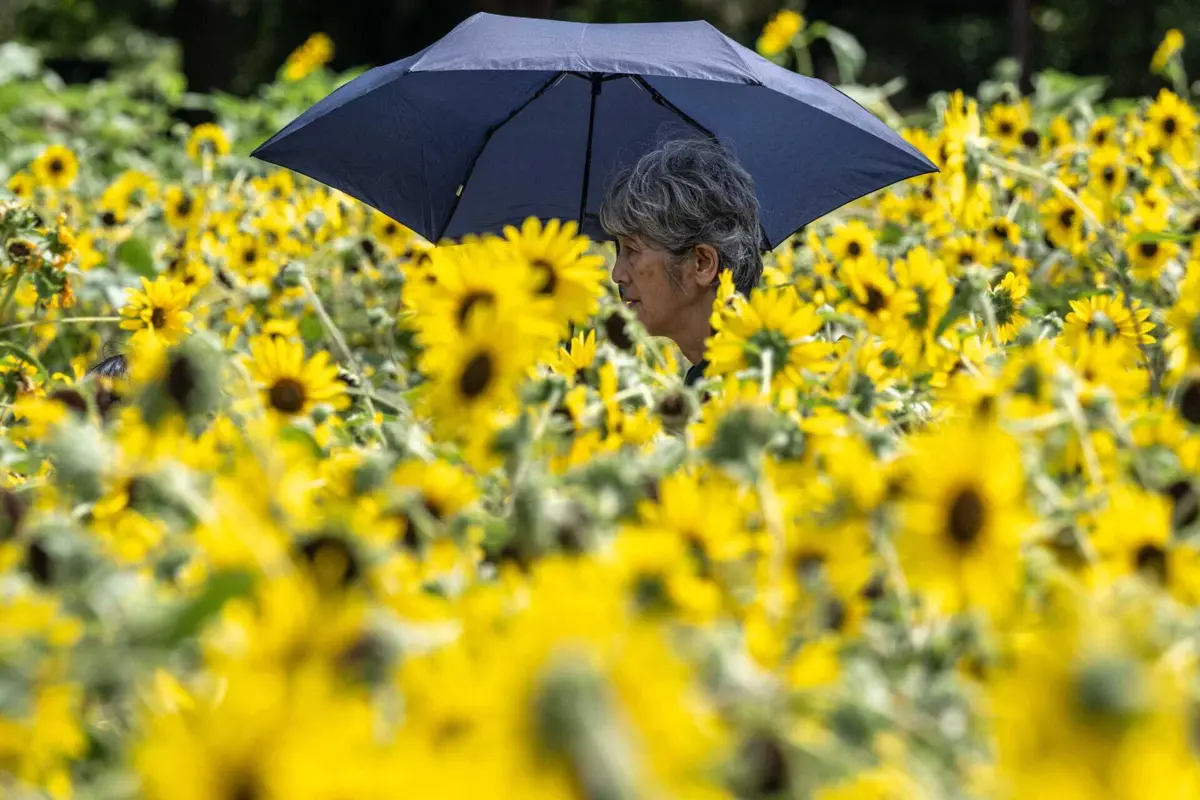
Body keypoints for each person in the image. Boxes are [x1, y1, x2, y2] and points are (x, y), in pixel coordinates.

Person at [600, 137, 764, 387]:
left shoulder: (752, 386)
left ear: (702, 263)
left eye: (632, 250)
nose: (617, 274)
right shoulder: (714, 379)